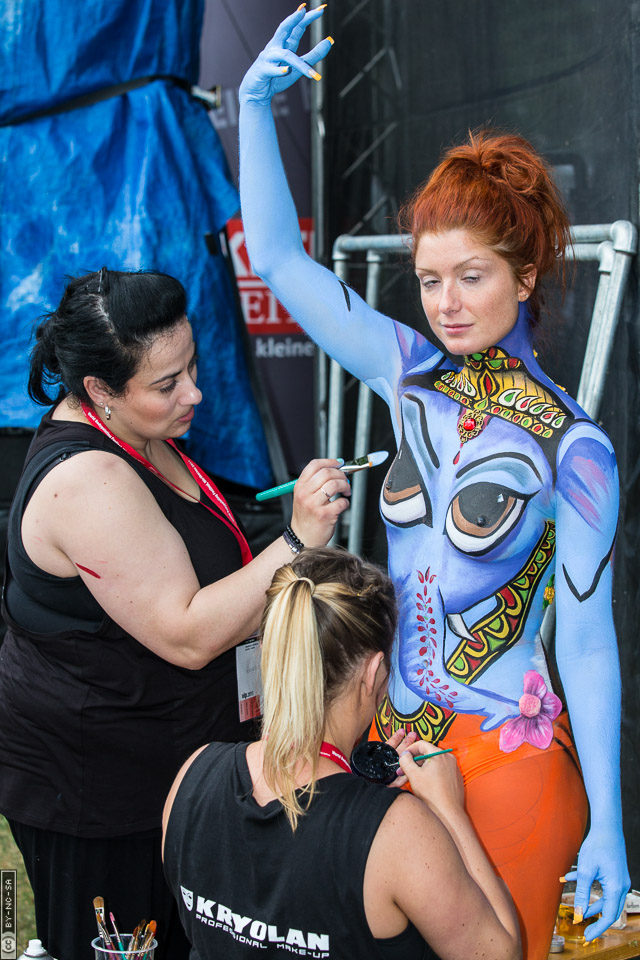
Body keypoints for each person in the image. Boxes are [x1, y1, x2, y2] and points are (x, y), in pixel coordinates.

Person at [237, 9, 630, 959]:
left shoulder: (575, 450)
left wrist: (610, 823)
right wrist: (252, 107)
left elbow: (586, 642)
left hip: (508, 767)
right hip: (389, 752)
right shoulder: (406, 372)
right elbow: (281, 262)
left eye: (472, 277)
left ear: (526, 277)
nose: (446, 305)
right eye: (428, 280)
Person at [0, 267, 351, 960]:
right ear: (100, 389)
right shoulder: (87, 480)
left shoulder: (134, 428)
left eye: (192, 367)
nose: (194, 393)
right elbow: (187, 635)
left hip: (172, 769)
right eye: (167, 384)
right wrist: (296, 541)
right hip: (100, 794)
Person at [162, 547, 521, 960]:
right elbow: (500, 953)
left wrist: (352, 791)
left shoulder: (194, 774)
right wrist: (448, 810)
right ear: (373, 671)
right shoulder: (399, 831)